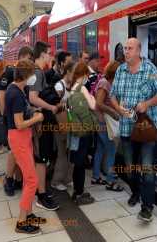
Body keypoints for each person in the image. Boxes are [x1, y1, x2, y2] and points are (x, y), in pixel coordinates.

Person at [110, 38, 157, 222]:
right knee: (129, 169)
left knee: (147, 169)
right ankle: (135, 192)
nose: (126, 51)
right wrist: (118, 109)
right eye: (125, 48)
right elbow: (112, 97)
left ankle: (147, 208)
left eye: (130, 48)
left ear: (139, 50)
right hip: (126, 129)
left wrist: (146, 104)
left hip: (145, 129)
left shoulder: (151, 70)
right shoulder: (120, 70)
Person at [5, 59, 45, 234]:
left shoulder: (17, 89)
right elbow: (19, 123)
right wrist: (36, 119)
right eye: (32, 75)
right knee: (31, 180)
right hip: (19, 137)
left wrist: (32, 113)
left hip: (22, 138)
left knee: (30, 178)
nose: (33, 79)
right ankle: (21, 222)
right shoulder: (15, 93)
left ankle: (28, 214)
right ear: (25, 75)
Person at [28, 41, 59, 210]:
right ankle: (41, 194)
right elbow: (33, 97)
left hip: (35, 119)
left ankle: (39, 190)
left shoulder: (34, 71)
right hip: (40, 121)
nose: (51, 56)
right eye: (49, 52)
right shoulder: (38, 73)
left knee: (39, 157)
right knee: (41, 158)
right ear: (42, 54)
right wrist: (51, 107)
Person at [0, 46, 33, 196]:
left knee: (19, 153)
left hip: (19, 115)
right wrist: (5, 115)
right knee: (14, 152)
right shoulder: (9, 72)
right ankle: (8, 178)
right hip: (12, 120)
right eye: (28, 59)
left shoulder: (22, 84)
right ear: (22, 56)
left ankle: (18, 179)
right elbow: (2, 95)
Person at [68, 62, 97, 205]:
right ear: (84, 75)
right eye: (87, 75)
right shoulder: (82, 88)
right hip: (83, 132)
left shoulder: (72, 89)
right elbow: (93, 106)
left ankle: (77, 191)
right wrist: (92, 97)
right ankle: (79, 194)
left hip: (75, 131)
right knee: (80, 163)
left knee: (77, 163)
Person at [92, 61, 123, 191]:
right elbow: (98, 103)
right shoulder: (105, 83)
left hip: (102, 121)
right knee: (111, 150)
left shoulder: (109, 82)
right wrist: (112, 112)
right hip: (103, 121)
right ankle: (110, 181)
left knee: (100, 149)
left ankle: (96, 176)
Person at [51, 61, 74, 191]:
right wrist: (69, 104)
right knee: (62, 153)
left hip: (69, 123)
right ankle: (56, 180)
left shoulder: (72, 85)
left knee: (70, 152)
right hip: (60, 124)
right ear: (68, 72)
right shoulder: (59, 86)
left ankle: (67, 178)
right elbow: (55, 106)